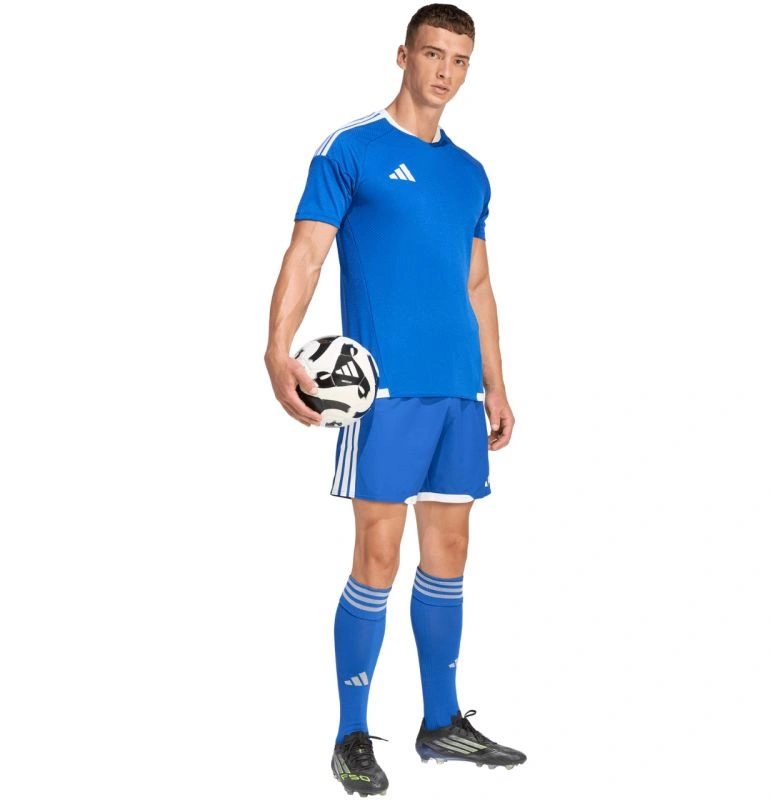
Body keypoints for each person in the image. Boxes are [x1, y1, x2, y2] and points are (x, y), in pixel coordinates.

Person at [264, 4, 526, 795]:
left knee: (449, 556)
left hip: (457, 394)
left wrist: (497, 384)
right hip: (381, 392)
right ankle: (351, 733)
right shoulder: (353, 149)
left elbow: (477, 283)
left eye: (460, 59)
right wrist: (277, 350)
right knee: (377, 557)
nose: (446, 71)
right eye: (434, 54)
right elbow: (307, 254)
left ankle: (441, 722)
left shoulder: (470, 172)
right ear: (404, 56)